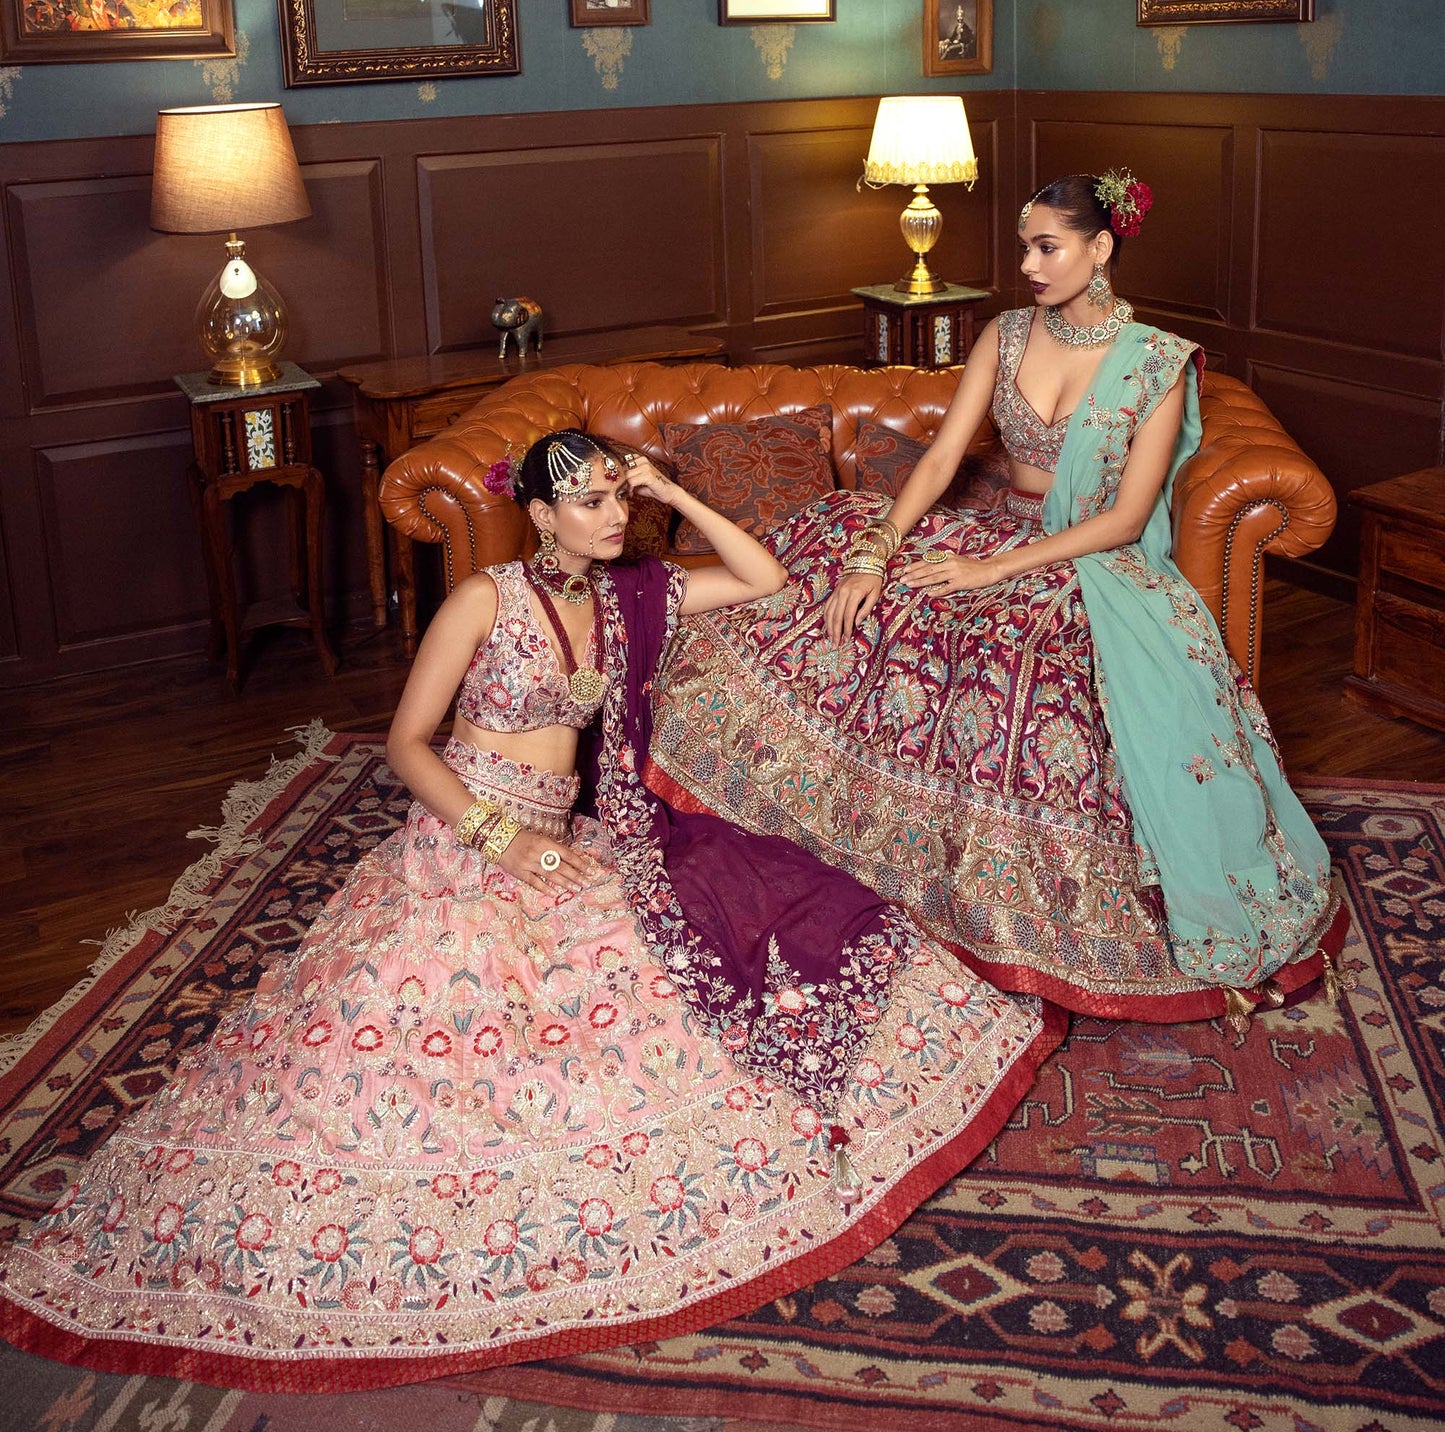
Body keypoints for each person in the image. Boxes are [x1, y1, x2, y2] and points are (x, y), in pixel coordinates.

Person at [0, 434, 1055, 1392]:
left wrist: (672, 490)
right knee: (445, 1035)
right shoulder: (483, 599)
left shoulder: (633, 593)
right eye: (588, 501)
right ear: (539, 515)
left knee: (729, 948)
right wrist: (500, 839)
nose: (612, 515)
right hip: (468, 839)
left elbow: (764, 577)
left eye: (617, 497)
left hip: (571, 835)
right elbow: (405, 743)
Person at [648, 173, 1345, 1026]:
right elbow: (942, 459)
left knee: (1024, 653)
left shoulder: (1157, 363)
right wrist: (873, 553)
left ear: (1101, 247)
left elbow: (1126, 518)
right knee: (860, 597)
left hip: (1090, 556)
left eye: (1047, 247)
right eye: (1024, 248)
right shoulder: (1006, 334)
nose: (1027, 266)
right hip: (995, 529)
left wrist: (994, 574)